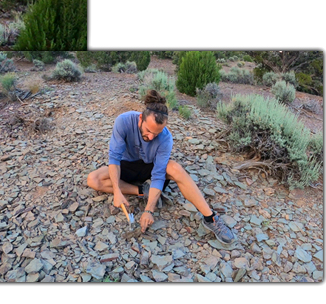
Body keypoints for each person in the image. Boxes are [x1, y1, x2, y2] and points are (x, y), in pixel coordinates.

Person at [85, 90, 236, 245]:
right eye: (149, 131)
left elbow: (158, 175)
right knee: (93, 179)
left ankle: (210, 218)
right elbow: (114, 158)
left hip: (150, 168)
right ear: (140, 118)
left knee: (175, 168)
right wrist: (116, 190)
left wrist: (149, 210)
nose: (151, 137)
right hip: (127, 165)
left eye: (156, 134)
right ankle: (142, 191)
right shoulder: (123, 121)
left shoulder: (165, 138)